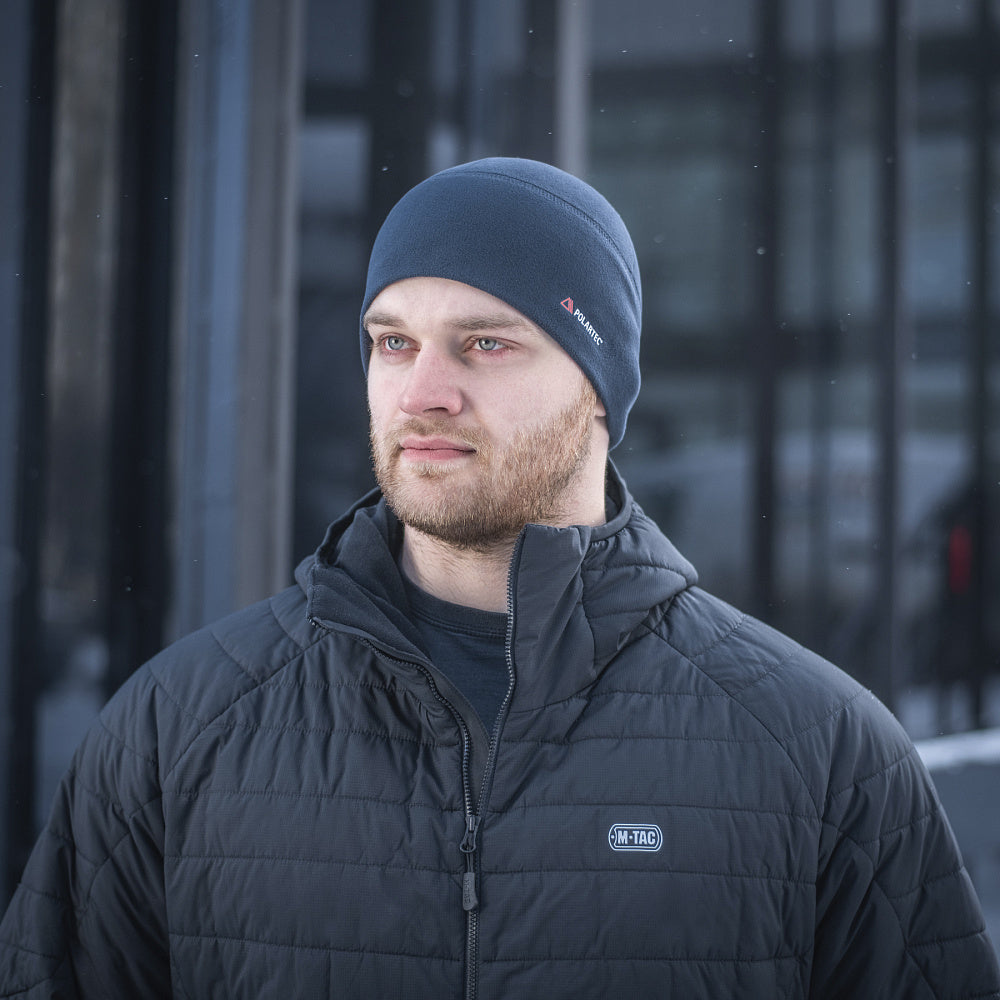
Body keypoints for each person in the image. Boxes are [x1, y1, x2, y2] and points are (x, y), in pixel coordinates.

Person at [1, 158, 998, 999]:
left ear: (599, 387)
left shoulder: (817, 749)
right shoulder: (178, 729)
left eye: (485, 343)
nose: (422, 392)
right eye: (393, 342)